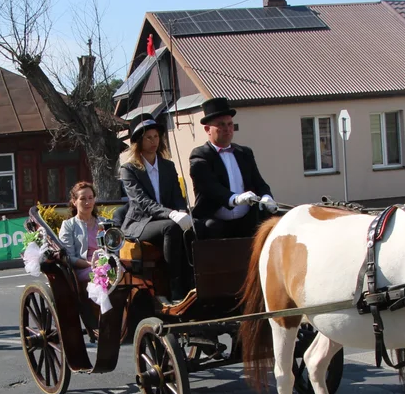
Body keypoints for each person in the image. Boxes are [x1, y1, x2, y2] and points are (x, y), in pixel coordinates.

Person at [118, 113, 195, 299]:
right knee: (171, 228)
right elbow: (142, 202)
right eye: (148, 137)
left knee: (194, 226)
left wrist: (183, 211)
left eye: (156, 137)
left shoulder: (168, 166)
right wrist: (172, 214)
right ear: (139, 142)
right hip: (141, 223)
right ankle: (174, 286)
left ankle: (193, 282)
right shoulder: (128, 169)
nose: (154, 141)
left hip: (166, 218)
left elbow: (177, 196)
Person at [188, 97, 277, 239]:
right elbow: (211, 188)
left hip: (245, 221)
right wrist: (235, 199)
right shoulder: (200, 155)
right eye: (221, 125)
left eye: (230, 124)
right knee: (212, 228)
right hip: (216, 223)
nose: (227, 129)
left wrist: (267, 196)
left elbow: (259, 182)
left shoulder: (245, 153)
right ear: (207, 129)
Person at [59, 182, 105, 285]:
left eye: (90, 198)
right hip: (84, 269)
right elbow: (68, 258)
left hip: (106, 265)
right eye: (83, 199)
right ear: (74, 201)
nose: (87, 202)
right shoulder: (68, 225)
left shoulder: (104, 222)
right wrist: (92, 264)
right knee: (102, 274)